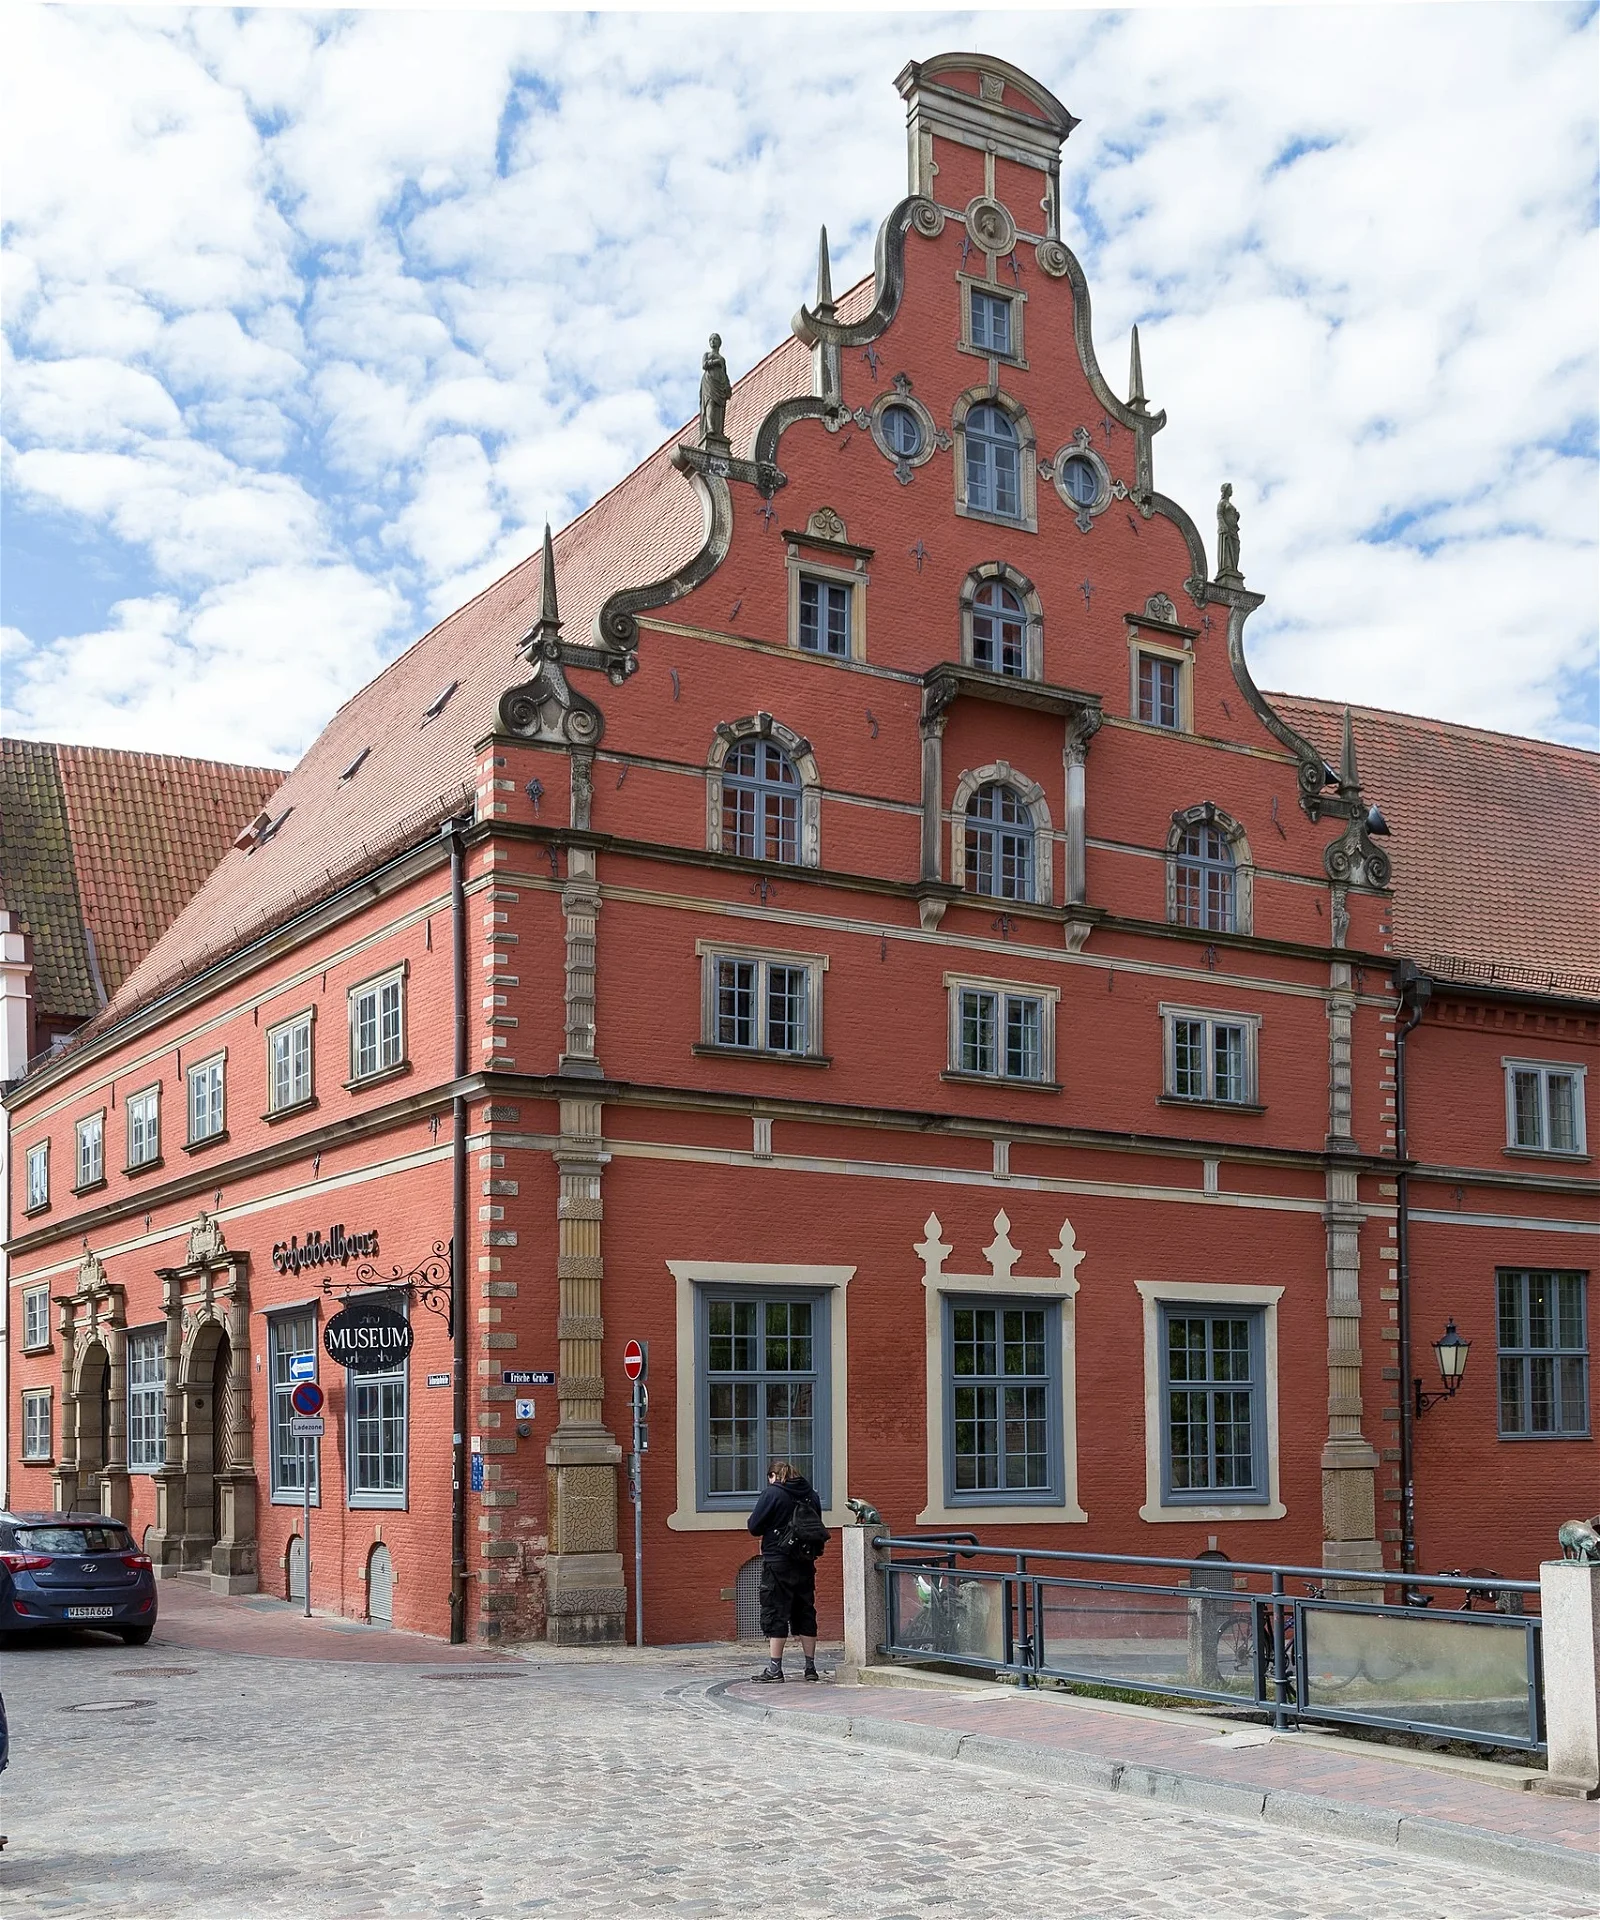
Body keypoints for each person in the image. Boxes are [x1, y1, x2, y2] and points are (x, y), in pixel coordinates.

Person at [746, 1459, 823, 1682]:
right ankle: (810, 1668)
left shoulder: (773, 1494)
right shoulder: (811, 1494)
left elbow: (754, 1526)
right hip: (805, 1560)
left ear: (773, 1476)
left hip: (778, 1560)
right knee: (806, 1610)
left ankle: (774, 1669)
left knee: (776, 1611)